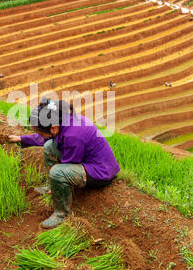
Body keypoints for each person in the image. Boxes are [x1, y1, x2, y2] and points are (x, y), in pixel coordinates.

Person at [9, 98, 120, 229]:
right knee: (49, 146)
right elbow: (45, 138)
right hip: (89, 160)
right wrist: (21, 139)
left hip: (100, 172)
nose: (39, 134)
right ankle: (52, 185)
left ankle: (62, 214)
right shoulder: (62, 120)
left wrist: (57, 187)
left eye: (39, 132)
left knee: (57, 172)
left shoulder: (73, 136)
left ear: (53, 128)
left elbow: (67, 166)